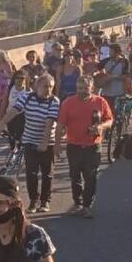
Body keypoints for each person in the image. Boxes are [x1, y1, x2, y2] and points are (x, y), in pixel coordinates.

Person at [53, 75, 113, 218]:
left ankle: (87, 206)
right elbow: (60, 124)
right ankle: (78, 202)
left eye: (85, 88)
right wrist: (57, 144)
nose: (82, 91)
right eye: (79, 88)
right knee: (75, 176)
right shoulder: (68, 102)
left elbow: (110, 120)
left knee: (90, 176)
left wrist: (101, 126)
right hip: (74, 145)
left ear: (92, 88)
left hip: (93, 146)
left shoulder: (100, 102)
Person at [2, 74, 59, 213]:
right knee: (31, 173)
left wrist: (44, 143)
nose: (48, 90)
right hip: (29, 140)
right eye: (45, 86)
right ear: (37, 86)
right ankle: (33, 200)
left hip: (48, 142)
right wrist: (1, 123)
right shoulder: (27, 97)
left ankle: (45, 201)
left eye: (51, 87)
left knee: (47, 174)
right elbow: (14, 111)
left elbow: (49, 124)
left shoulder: (54, 101)